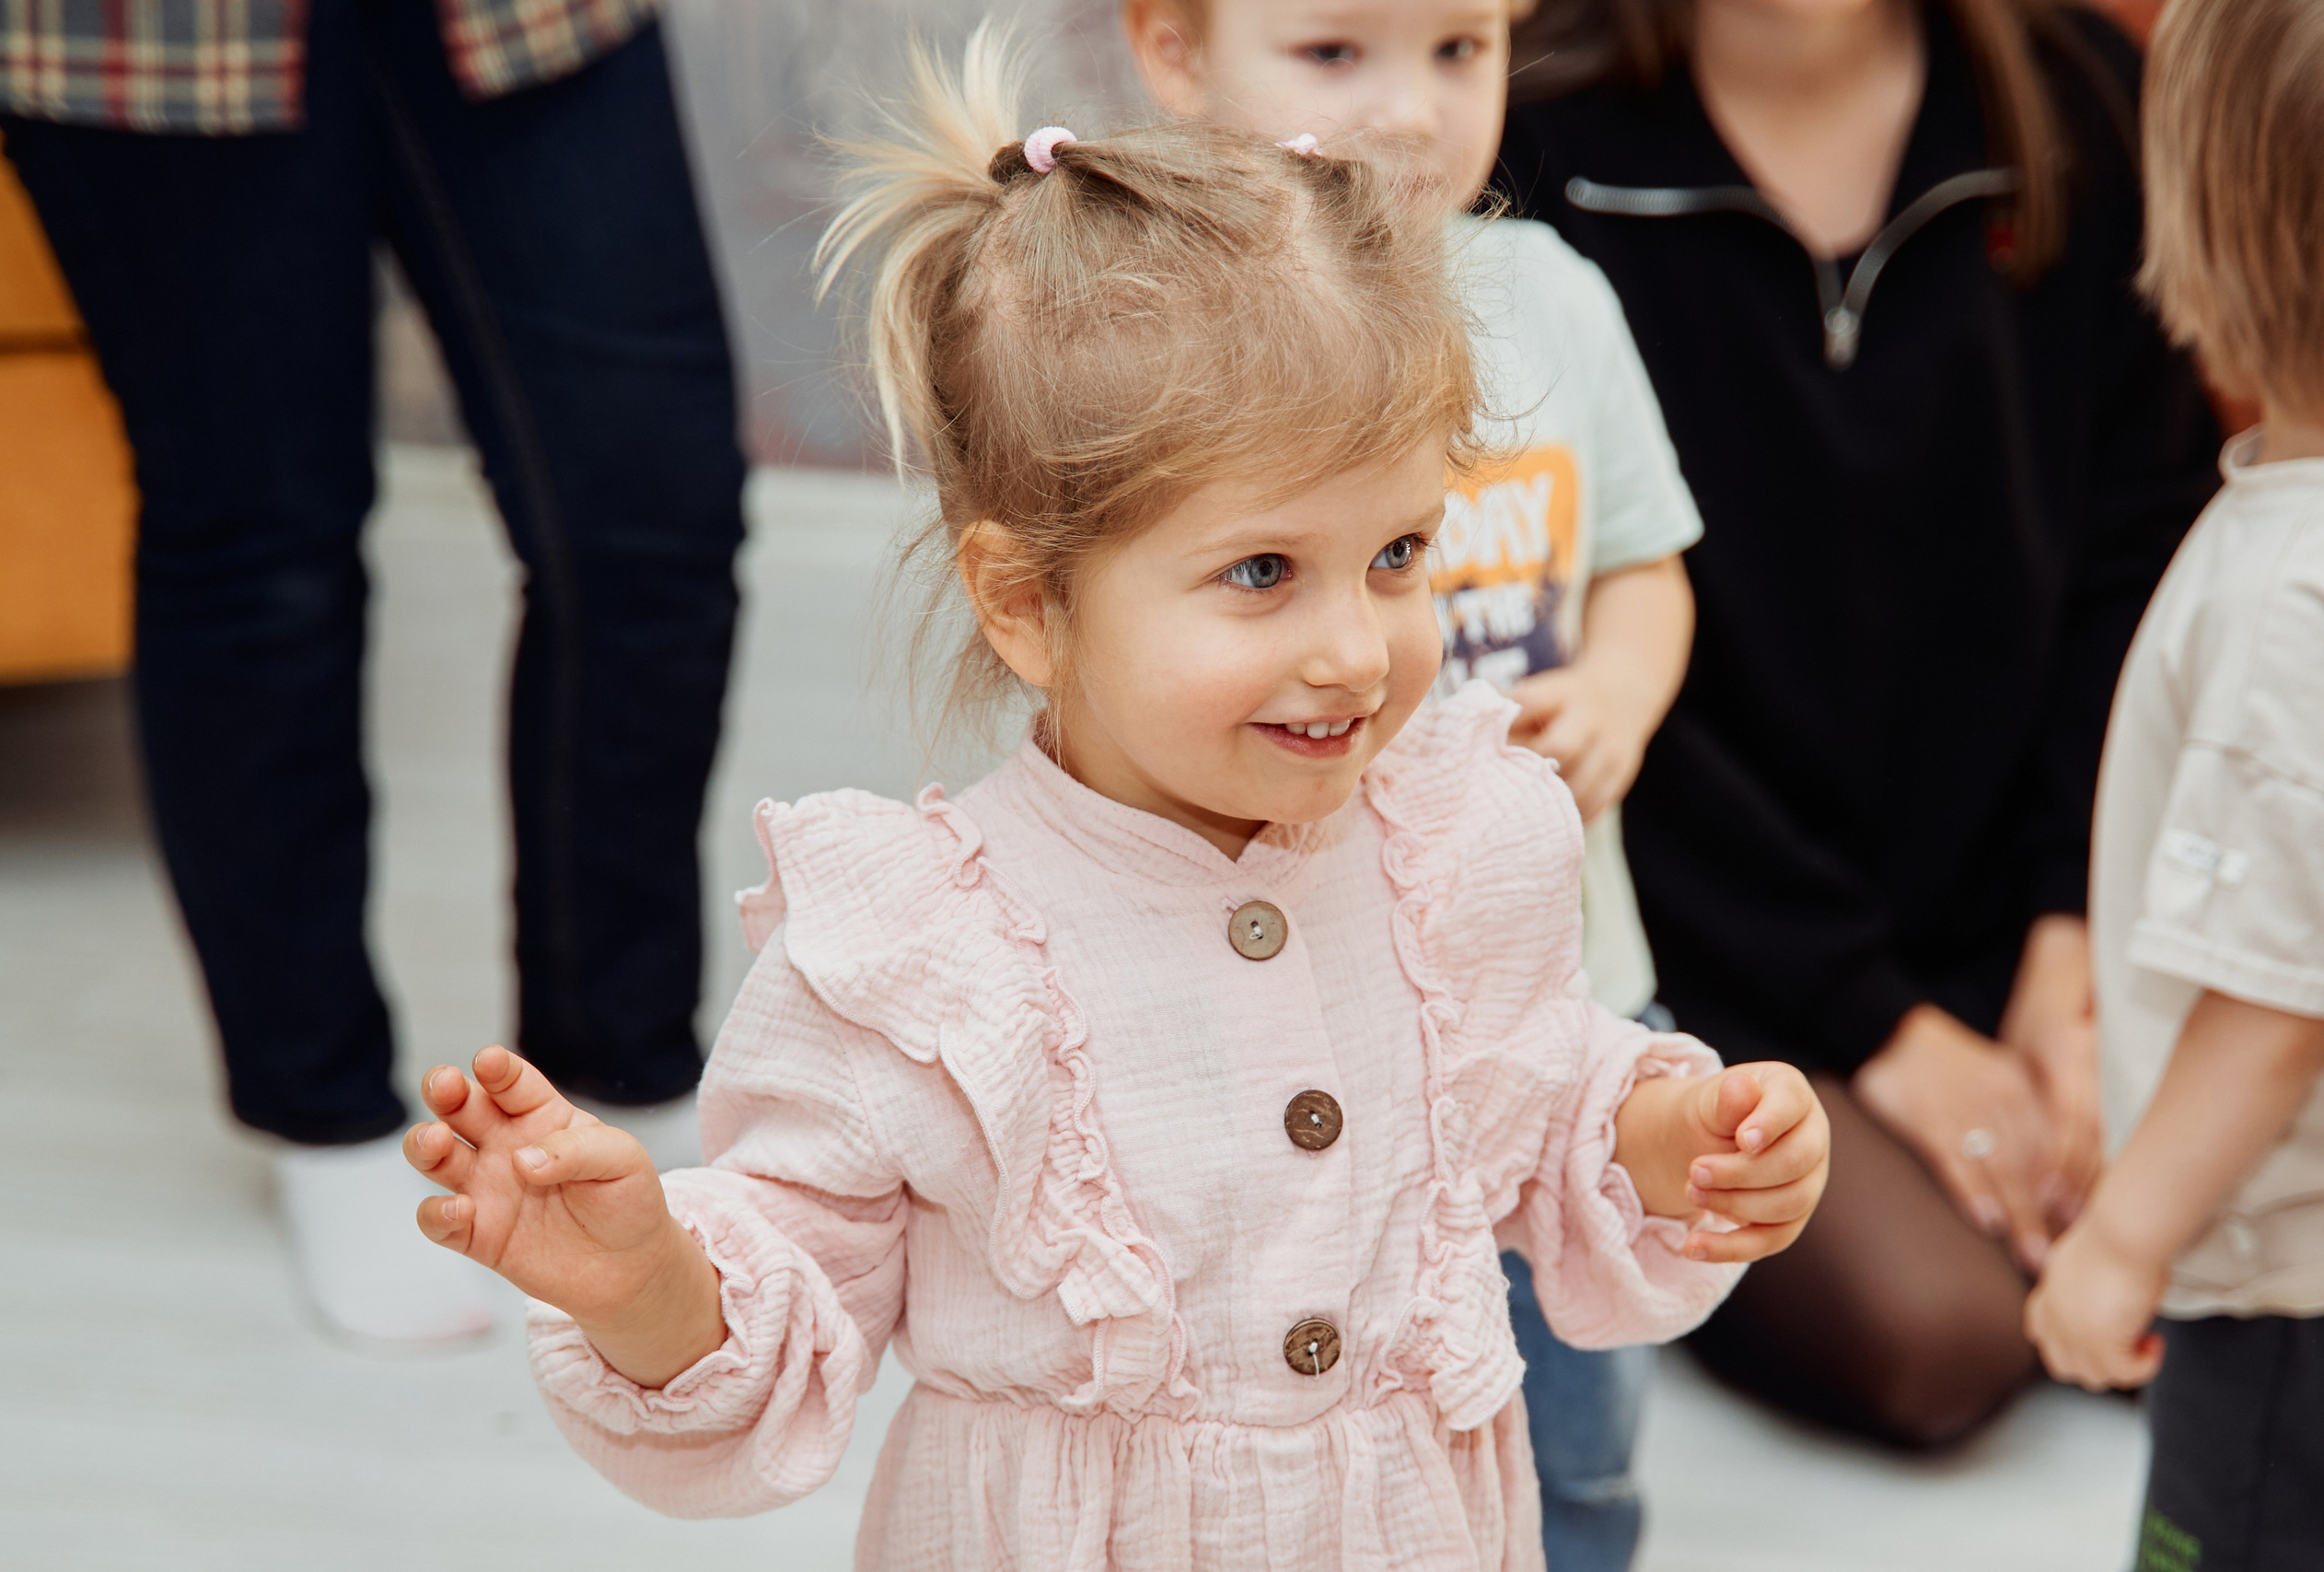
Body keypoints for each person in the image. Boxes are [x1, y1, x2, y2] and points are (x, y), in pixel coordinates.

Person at [397, 36, 1831, 1565]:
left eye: (1402, 555)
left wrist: (1677, 1137)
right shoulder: (922, 960)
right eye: (1264, 572)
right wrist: (642, 1283)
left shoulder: (1453, 841)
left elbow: (1541, 1110)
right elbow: (797, 1294)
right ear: (1026, 604)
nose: (1357, 646)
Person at [1493, 0, 2222, 1445]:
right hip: (1714, 950)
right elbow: (1580, 678)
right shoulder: (1521, 142)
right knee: (1938, 1339)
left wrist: (2068, 956)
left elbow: (2137, 563)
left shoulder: (2081, 101)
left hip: (2024, 908)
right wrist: (1883, 1030)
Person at [0, 0, 745, 1346]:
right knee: (256, 554)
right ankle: (323, 1110)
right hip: (148, 33)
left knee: (652, 516)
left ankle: (618, 1068)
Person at [1122, 3, 1704, 1564]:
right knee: (1316, 1417)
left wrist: (1625, 696)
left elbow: (1648, 565)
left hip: (1561, 984)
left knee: (1576, 1430)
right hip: (1298, 1026)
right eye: (1334, 55)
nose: (1410, 113)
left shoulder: (1555, 301)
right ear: (1175, 52)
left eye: (1461, 49)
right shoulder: (1153, 329)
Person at [2027, 0, 2324, 1563]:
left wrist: (2126, 1238)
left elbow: (2285, 993)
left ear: (2216, 226)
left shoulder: (2293, 595)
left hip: (2291, 1291)